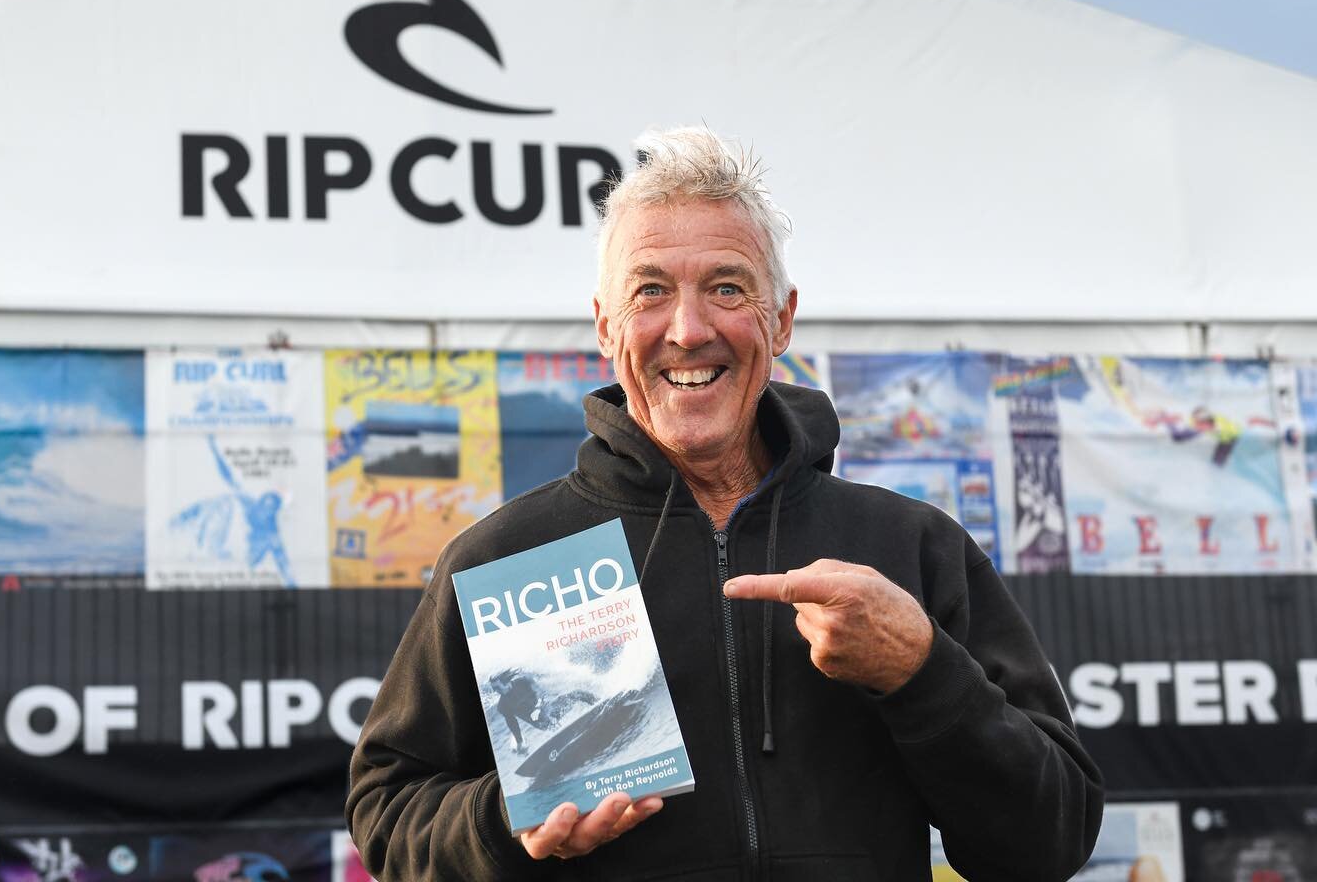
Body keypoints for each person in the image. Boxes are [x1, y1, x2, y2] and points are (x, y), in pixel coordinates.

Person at [347, 128, 1104, 880]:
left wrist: (921, 671)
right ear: (606, 325)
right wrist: (505, 824)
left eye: (727, 287)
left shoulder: (908, 546)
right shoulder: (509, 557)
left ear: (780, 318)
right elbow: (388, 808)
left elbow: (1048, 841)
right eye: (650, 291)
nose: (688, 329)